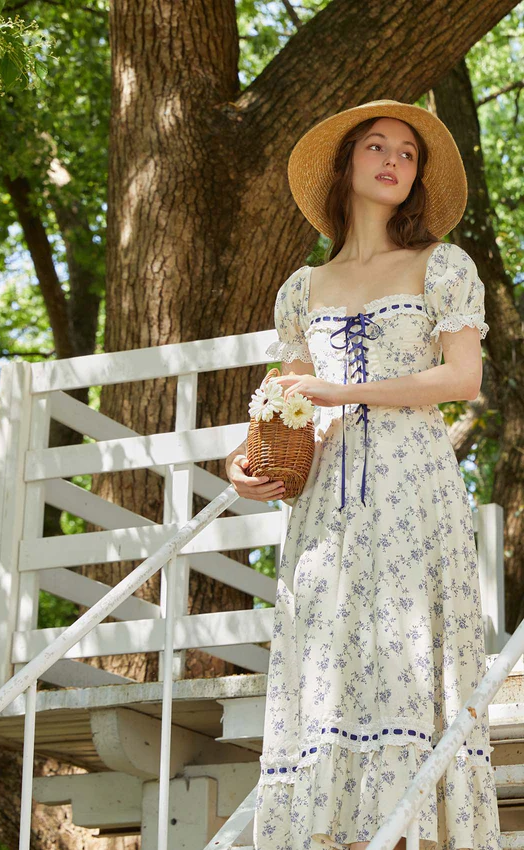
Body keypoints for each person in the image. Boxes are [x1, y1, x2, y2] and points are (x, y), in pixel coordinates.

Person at [225, 100, 501, 850]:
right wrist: (245, 463)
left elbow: (461, 380)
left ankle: (417, 830)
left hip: (413, 484)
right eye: (376, 147)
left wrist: (343, 394)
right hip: (326, 502)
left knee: (406, 651)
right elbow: (288, 406)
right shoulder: (300, 289)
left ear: (416, 178)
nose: (392, 160)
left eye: (407, 153)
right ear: (345, 167)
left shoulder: (442, 266)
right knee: (332, 652)